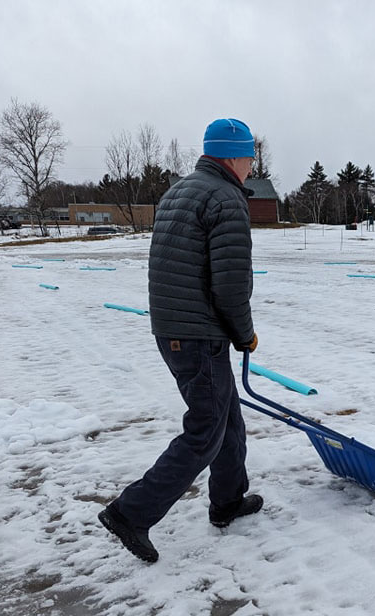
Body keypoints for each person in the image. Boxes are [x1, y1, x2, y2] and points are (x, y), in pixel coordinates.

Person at [98, 118, 262, 563]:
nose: (251, 165)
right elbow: (229, 283)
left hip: (174, 328)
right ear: (234, 156)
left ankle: (228, 500)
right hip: (197, 333)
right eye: (249, 157)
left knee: (226, 415)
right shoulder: (226, 197)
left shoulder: (181, 190)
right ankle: (131, 513)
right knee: (206, 429)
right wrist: (244, 334)